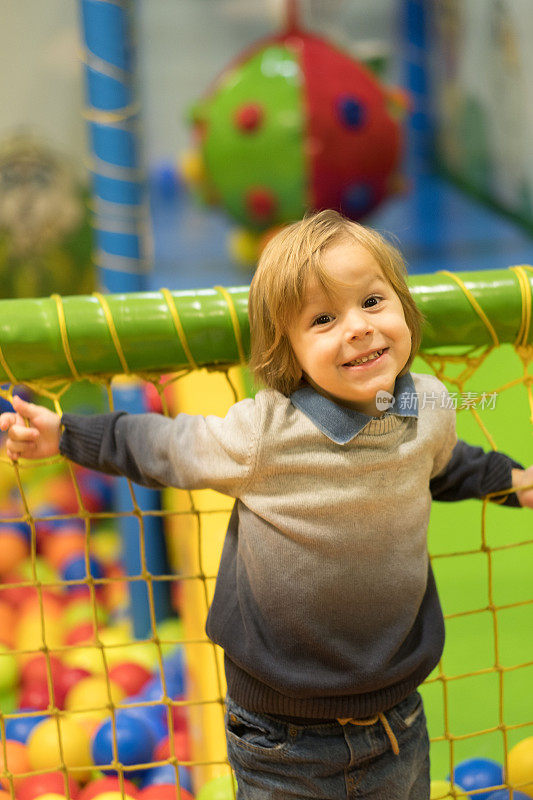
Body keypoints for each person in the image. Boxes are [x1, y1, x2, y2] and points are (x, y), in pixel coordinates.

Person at [1, 210, 532, 800]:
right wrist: (66, 434)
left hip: (396, 716)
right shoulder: (266, 434)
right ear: (289, 349)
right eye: (324, 318)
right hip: (283, 737)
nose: (357, 327)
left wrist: (511, 480)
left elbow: (443, 463)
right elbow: (161, 447)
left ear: (404, 307)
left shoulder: (429, 404)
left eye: (374, 302)